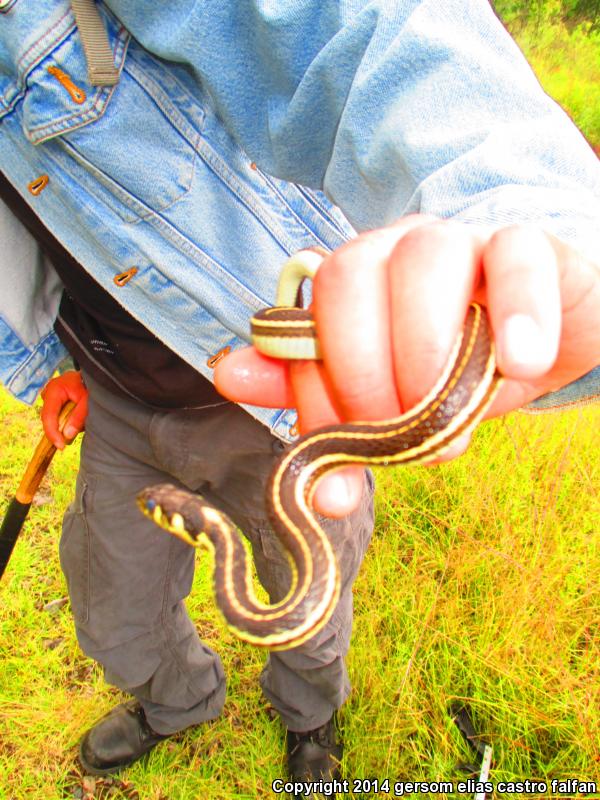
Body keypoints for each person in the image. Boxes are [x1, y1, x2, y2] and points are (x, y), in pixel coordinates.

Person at [0, 0, 598, 794]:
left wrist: (524, 214)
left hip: (277, 401)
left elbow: (356, 30)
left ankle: (310, 717)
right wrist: (49, 359)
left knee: (308, 597)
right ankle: (171, 705)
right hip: (112, 394)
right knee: (112, 603)